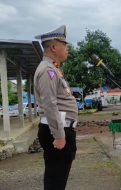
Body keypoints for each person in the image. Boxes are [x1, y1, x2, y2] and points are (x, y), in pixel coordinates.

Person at [34, 25, 78, 190]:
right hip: (56, 131)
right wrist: (59, 135)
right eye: (65, 45)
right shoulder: (47, 71)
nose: (67, 49)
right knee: (55, 181)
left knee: (57, 178)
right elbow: (50, 104)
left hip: (59, 128)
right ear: (54, 47)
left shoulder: (53, 69)